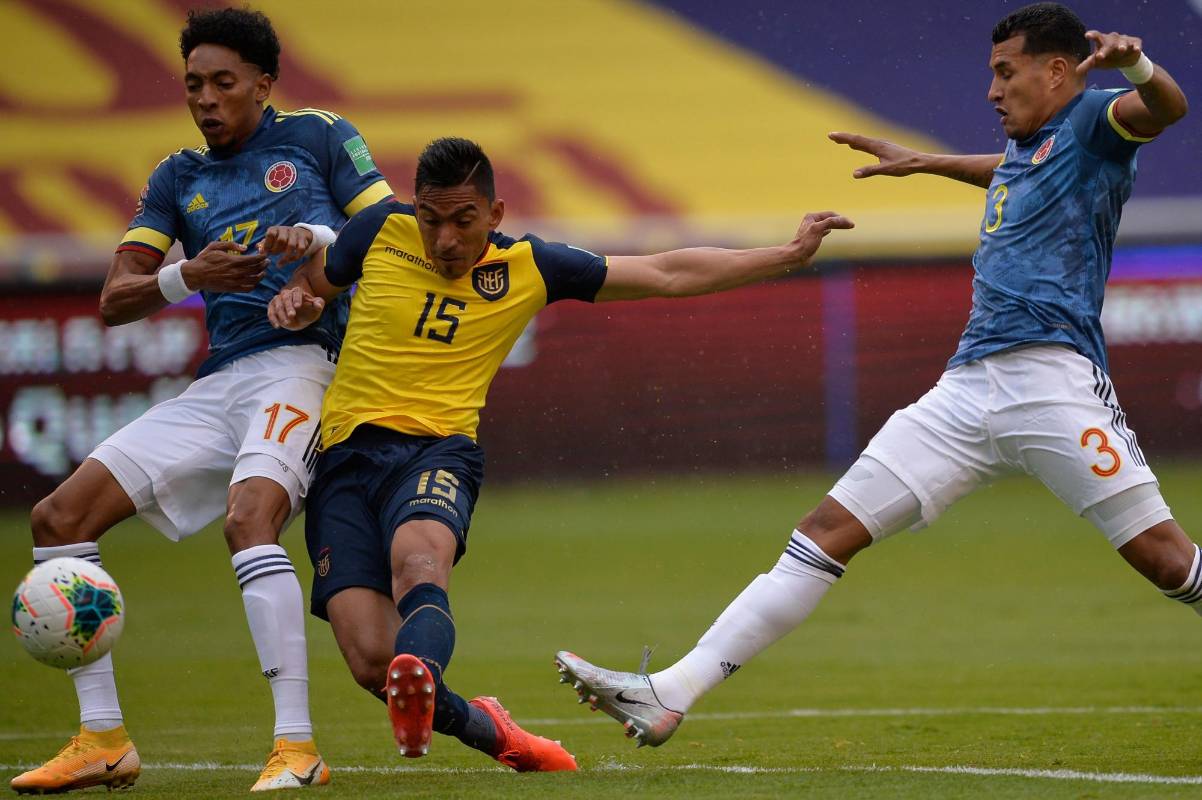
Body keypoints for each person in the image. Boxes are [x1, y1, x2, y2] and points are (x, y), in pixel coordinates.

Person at [554, 1, 1191, 749]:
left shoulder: (1091, 120)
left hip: (1055, 383)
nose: (992, 90)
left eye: (1005, 72)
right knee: (824, 532)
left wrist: (1137, 66)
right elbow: (1013, 172)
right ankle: (671, 692)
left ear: (1057, 70)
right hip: (966, 390)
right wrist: (926, 162)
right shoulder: (1036, 145)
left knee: (1166, 561)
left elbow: (1165, 108)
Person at [265, 135, 852, 770]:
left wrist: (788, 254)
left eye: (464, 222)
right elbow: (313, 287)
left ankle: (422, 668)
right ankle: (493, 731)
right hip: (345, 460)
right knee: (370, 663)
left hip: (437, 452)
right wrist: (297, 299)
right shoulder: (377, 229)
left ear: (495, 214)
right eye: (431, 221)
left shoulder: (531, 266)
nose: (445, 241)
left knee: (417, 564)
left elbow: (664, 272)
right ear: (414, 209)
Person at [12, 7, 393, 794]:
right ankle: (102, 737)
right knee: (57, 519)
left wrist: (315, 246)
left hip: (306, 367)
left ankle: (297, 748)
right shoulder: (176, 177)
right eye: (194, 85)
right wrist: (190, 276)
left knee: (248, 519)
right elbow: (116, 300)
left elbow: (391, 226)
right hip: (222, 383)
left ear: (263, 82)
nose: (207, 99)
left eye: (224, 83)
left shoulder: (320, 138)